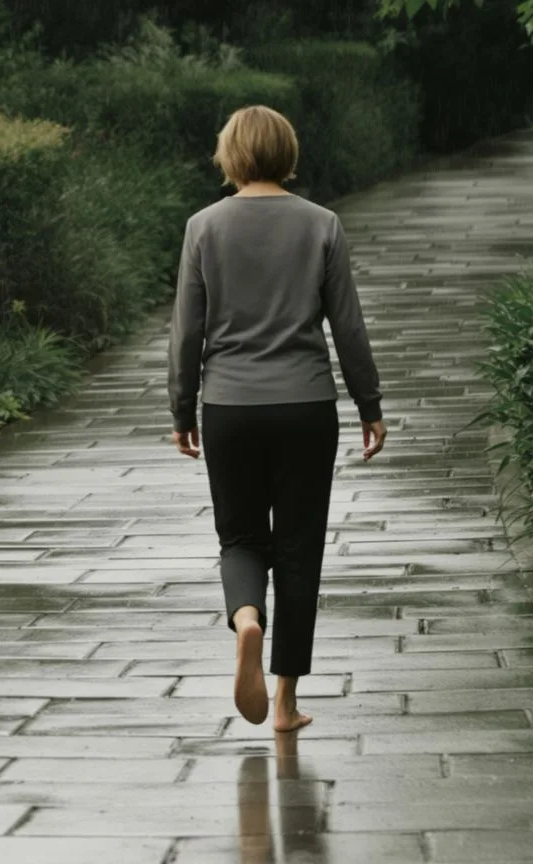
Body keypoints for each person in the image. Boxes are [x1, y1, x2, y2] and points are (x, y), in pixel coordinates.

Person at [167, 105, 387, 733]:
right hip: (305, 406)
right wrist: (369, 404)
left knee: (239, 537)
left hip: (229, 407)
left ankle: (246, 621)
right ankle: (286, 703)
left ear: (229, 154)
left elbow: (186, 331)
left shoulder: (203, 227)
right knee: (298, 547)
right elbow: (348, 326)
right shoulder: (322, 224)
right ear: (287, 152)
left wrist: (182, 407)